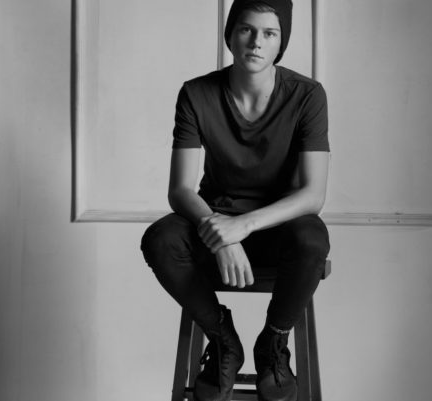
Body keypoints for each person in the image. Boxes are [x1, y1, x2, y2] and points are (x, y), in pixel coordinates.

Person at [141, 1, 330, 400]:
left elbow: (312, 195)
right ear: (230, 35)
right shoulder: (196, 93)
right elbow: (180, 190)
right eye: (246, 29)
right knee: (160, 239)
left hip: (278, 227)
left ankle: (273, 342)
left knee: (312, 239)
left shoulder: (307, 95)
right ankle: (222, 339)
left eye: (269, 33)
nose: (257, 42)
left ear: (281, 42)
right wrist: (220, 236)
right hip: (215, 221)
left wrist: (242, 226)